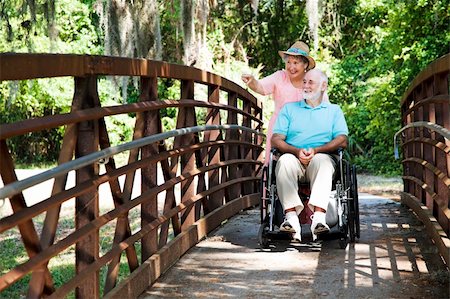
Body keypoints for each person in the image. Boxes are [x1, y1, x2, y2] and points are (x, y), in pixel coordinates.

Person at [271, 69, 348, 241]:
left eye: (310, 82)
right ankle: (291, 219)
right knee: (284, 161)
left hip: (323, 157)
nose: (305, 85)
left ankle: (319, 219)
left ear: (323, 86)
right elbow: (276, 139)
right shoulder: (289, 109)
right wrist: (296, 151)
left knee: (321, 161)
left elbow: (343, 140)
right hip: (294, 157)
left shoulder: (333, 111)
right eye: (304, 81)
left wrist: (317, 150)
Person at [241, 41, 318, 164]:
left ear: (305, 65)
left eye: (296, 63)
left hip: (305, 130)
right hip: (279, 129)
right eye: (289, 62)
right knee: (275, 163)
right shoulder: (280, 76)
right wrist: (252, 81)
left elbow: (324, 106)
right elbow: (261, 87)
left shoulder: (313, 81)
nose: (291, 67)